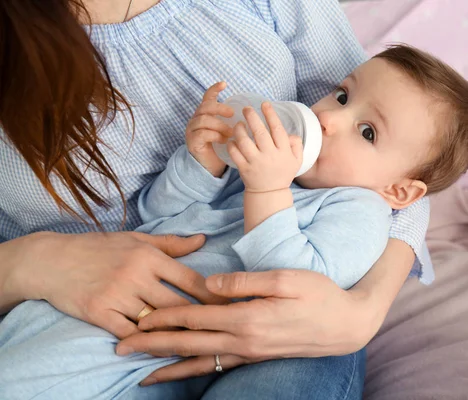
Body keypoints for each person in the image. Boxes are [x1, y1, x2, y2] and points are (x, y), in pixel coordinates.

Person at [0, 0, 442, 399]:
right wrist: (201, 164)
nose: (327, 118)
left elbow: (295, 280)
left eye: (365, 131)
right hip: (90, 316)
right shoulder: (268, 173)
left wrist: (364, 310)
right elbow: (163, 217)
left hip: (273, 336)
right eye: (341, 97)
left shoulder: (353, 206)